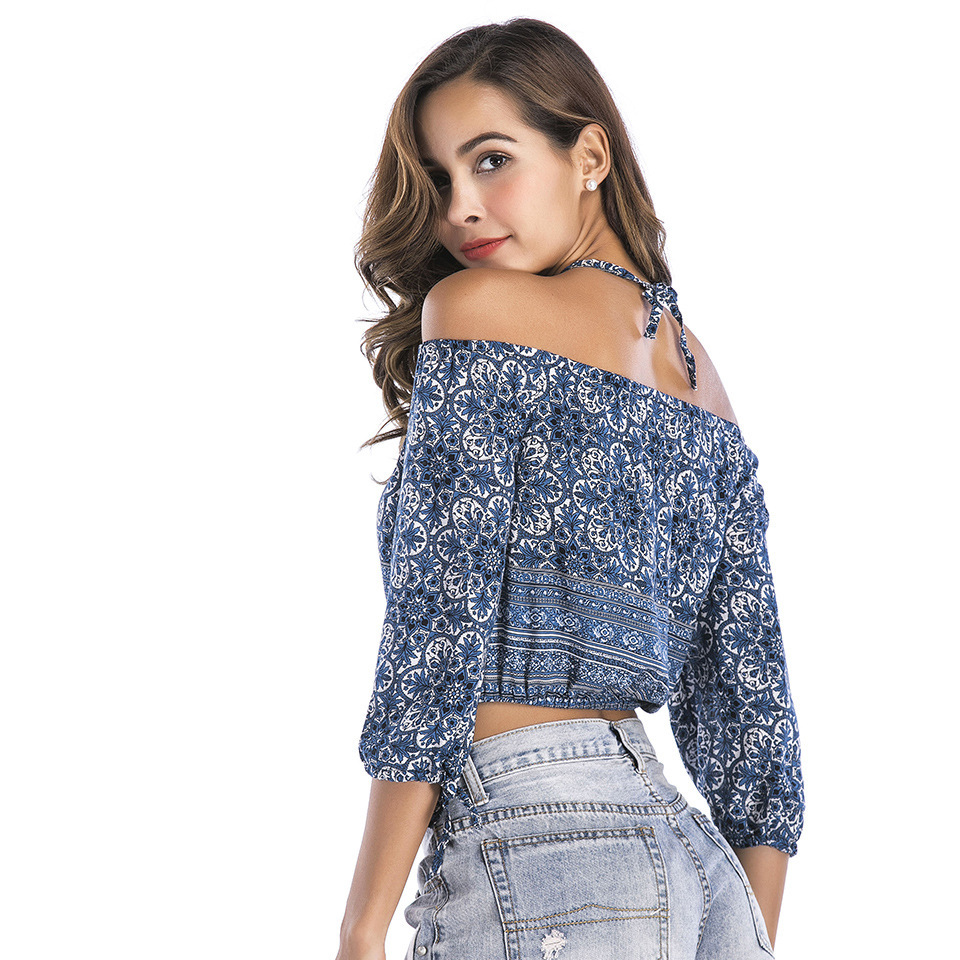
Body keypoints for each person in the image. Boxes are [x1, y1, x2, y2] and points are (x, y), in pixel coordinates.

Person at [337, 18, 804, 960]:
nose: (461, 208)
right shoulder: (703, 385)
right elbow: (751, 702)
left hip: (539, 837)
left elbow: (438, 630)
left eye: (491, 160)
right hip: (694, 866)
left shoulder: (477, 310)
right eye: (438, 180)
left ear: (589, 155)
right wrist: (748, 936)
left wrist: (362, 924)